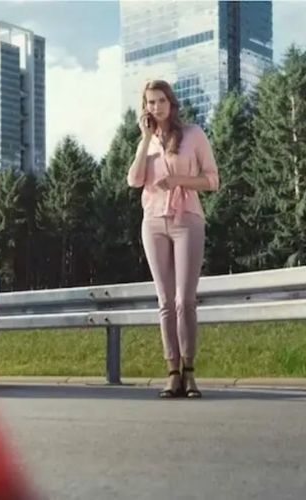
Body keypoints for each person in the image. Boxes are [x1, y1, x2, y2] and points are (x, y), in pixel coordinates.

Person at [126, 80, 220, 399]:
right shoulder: (147, 141)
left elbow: (212, 181)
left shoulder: (193, 134)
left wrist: (179, 180)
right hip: (152, 222)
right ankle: (171, 372)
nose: (156, 107)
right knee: (164, 301)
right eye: (150, 102)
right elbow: (134, 180)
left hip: (187, 220)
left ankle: (190, 372)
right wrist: (143, 140)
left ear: (171, 103)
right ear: (145, 107)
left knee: (185, 300)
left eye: (161, 101)